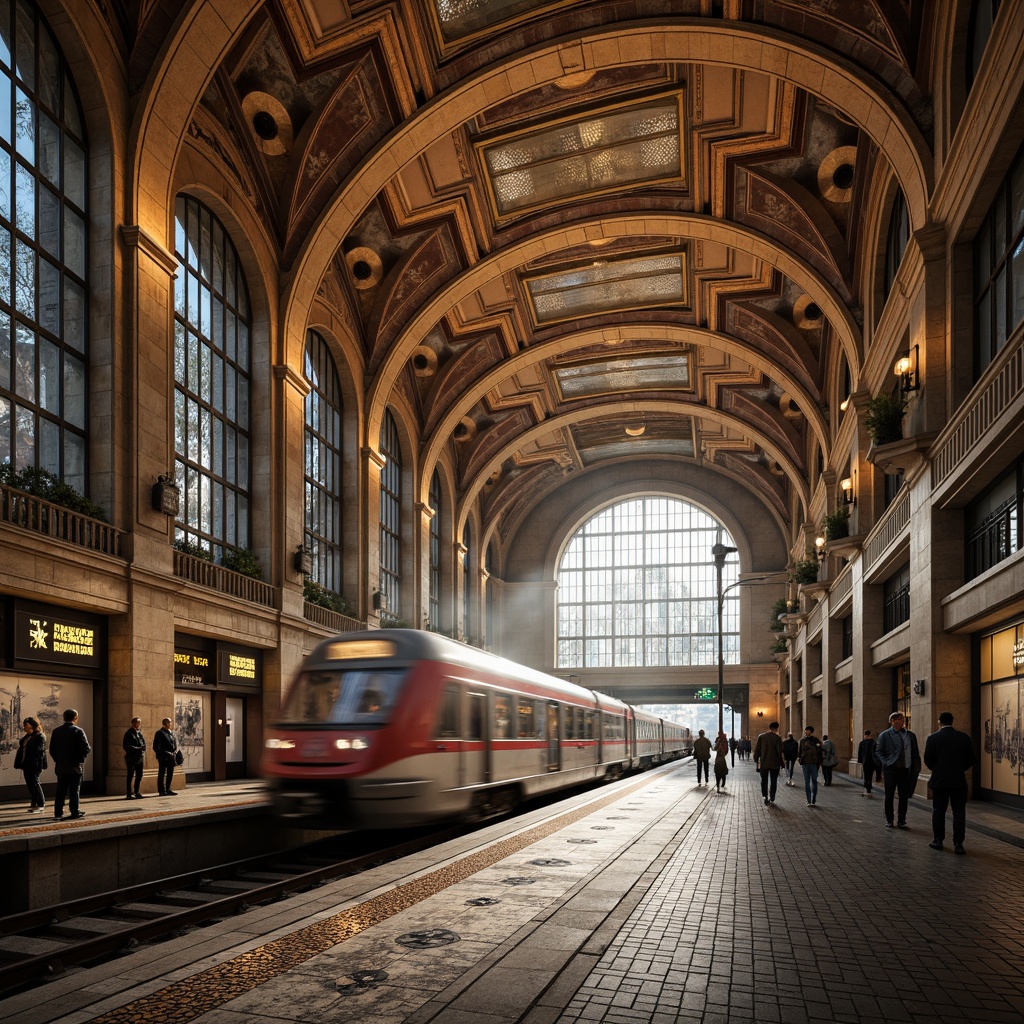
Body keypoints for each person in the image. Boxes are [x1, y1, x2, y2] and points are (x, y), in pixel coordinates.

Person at [923, 711, 975, 855]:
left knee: (939, 810)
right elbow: (971, 759)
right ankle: (958, 844)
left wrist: (937, 769)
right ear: (953, 721)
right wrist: (959, 768)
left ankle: (938, 840)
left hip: (940, 781)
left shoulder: (933, 738)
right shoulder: (964, 738)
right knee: (959, 812)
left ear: (939, 722)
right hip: (958, 780)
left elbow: (928, 759)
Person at [875, 711, 921, 830]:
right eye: (899, 719)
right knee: (889, 796)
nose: (902, 722)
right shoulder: (885, 735)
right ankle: (889, 820)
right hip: (890, 770)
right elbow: (878, 752)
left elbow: (915, 753)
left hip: (905, 769)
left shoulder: (910, 735)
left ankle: (902, 820)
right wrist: (886, 762)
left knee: (904, 796)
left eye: (903, 719)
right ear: (893, 721)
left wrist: (915, 767)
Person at [48, 708, 91, 820]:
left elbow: (52, 749)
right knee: (74, 789)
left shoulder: (56, 731)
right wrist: (80, 759)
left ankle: (58, 811)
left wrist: (58, 760)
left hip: (61, 766)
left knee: (60, 789)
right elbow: (86, 748)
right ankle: (74, 811)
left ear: (64, 718)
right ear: (75, 718)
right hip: (75, 766)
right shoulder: (78, 731)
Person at [14, 717, 47, 812]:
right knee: (30, 784)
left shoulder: (39, 736)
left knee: (35, 783)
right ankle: (34, 802)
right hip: (26, 764)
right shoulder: (28, 736)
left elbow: (38, 752)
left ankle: (40, 803)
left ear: (31, 726)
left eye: (25, 726)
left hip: (34, 764)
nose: (24, 728)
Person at [754, 720, 785, 806]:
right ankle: (772, 796)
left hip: (764, 763)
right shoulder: (778, 738)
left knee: (764, 780)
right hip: (775, 763)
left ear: (770, 728)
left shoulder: (761, 737)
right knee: (774, 780)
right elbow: (779, 752)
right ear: (776, 729)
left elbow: (757, 750)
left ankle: (765, 796)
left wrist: (756, 760)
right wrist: (782, 763)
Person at [153, 717, 180, 796]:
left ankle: (168, 789)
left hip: (171, 757)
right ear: (166, 723)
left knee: (170, 773)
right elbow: (156, 747)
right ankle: (161, 790)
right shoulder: (160, 733)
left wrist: (175, 750)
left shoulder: (171, 733)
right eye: (170, 722)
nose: (171, 724)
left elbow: (173, 743)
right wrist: (166, 753)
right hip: (163, 757)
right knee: (161, 773)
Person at [122, 716, 147, 799]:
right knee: (130, 775)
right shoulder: (129, 733)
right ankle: (129, 793)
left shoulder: (139, 733)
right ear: (133, 723)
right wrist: (137, 748)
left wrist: (143, 747)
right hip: (131, 758)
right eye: (137, 722)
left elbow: (143, 742)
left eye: (139, 723)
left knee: (139, 775)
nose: (139, 724)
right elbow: (126, 746)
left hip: (139, 757)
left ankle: (137, 792)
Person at [798, 725, 823, 805]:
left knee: (814, 781)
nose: (806, 732)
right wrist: (800, 759)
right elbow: (800, 752)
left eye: (807, 730)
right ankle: (808, 800)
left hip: (813, 764)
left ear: (810, 731)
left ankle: (813, 799)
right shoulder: (802, 741)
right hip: (805, 763)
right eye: (805, 730)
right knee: (807, 782)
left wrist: (818, 762)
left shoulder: (816, 740)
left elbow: (820, 752)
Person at [857, 729, 878, 797]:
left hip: (865, 762)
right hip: (872, 762)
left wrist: (860, 761)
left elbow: (860, 753)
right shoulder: (874, 742)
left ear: (865, 735)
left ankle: (867, 788)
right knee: (870, 775)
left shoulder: (862, 743)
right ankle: (869, 788)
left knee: (866, 775)